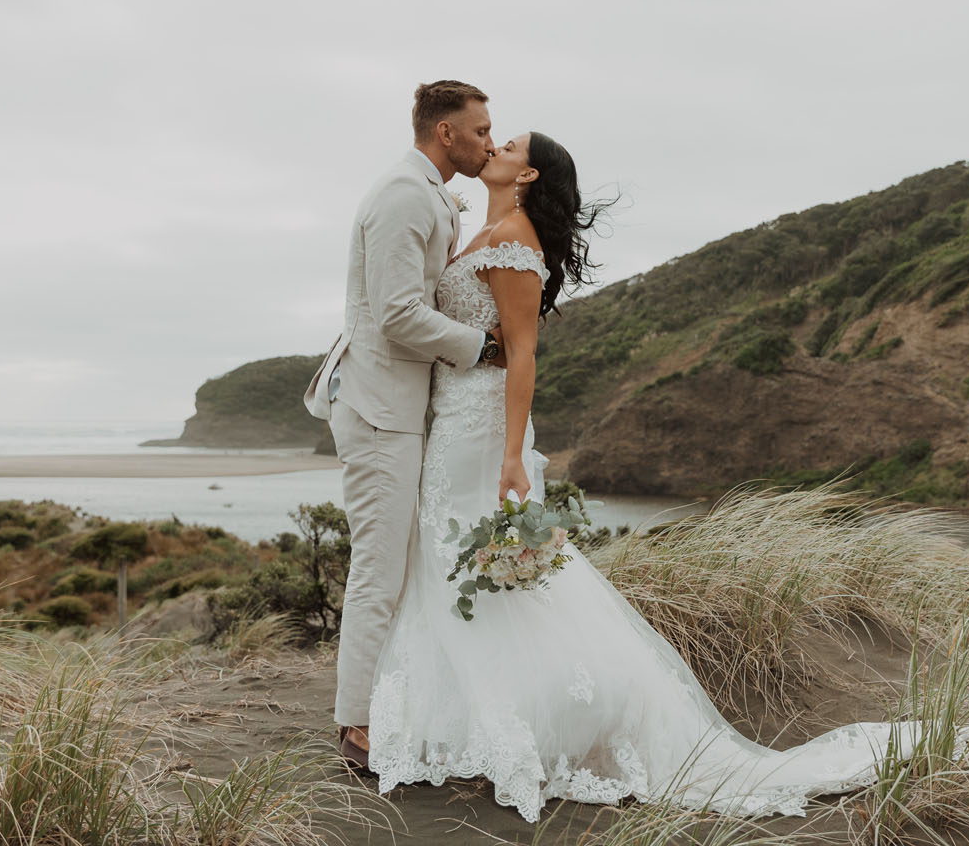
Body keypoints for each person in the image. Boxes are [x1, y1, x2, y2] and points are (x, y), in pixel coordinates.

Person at [365, 131, 927, 821]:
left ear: (527, 172)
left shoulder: (513, 242)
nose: (495, 145)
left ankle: (547, 725)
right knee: (459, 562)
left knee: (500, 568)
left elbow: (523, 356)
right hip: (448, 420)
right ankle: (468, 721)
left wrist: (513, 454)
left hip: (482, 430)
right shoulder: (480, 229)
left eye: (506, 142)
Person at [303, 80, 507, 771]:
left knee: (405, 563)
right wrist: (481, 346)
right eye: (480, 130)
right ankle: (356, 728)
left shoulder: (430, 194)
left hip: (404, 408)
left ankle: (393, 706)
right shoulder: (401, 195)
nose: (488, 140)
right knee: (380, 569)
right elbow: (395, 313)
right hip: (379, 409)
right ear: (444, 133)